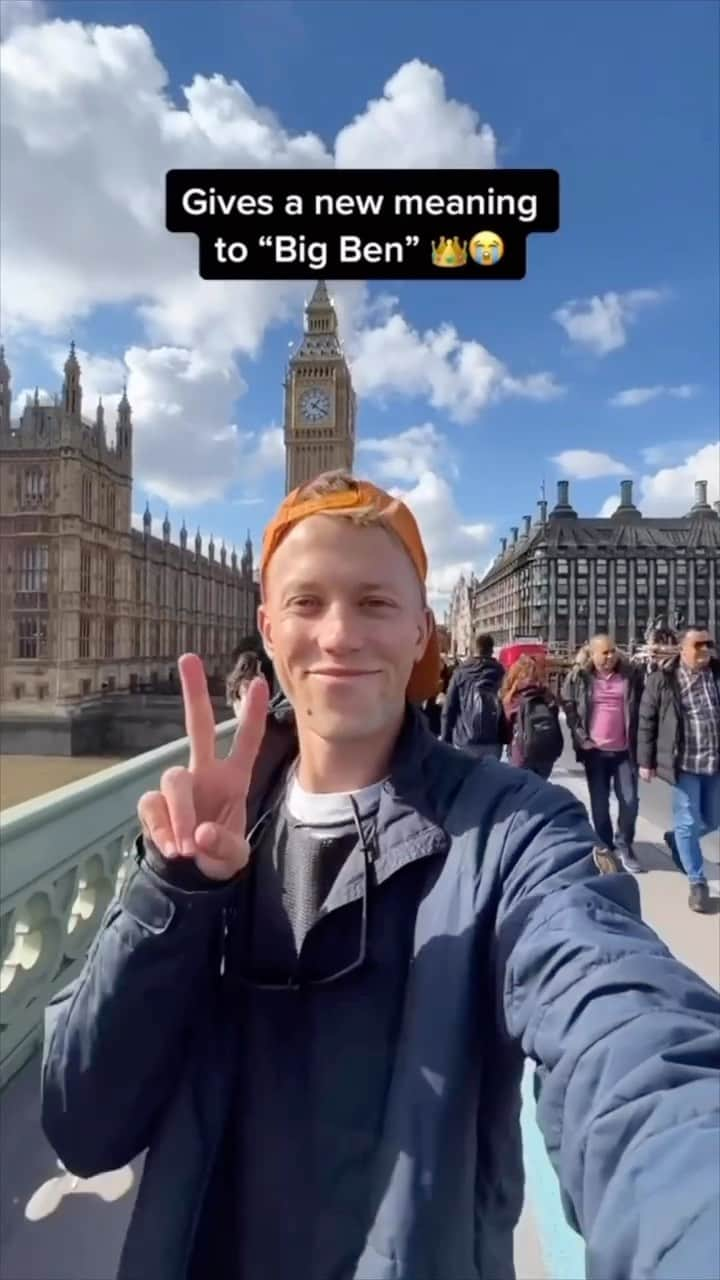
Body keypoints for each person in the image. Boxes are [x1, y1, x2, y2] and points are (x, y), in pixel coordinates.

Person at [42, 472, 720, 1280]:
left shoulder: (516, 831)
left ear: (421, 629)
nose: (339, 635)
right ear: (266, 625)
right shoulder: (194, 830)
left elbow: (625, 1028)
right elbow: (83, 1125)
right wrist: (175, 890)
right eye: (307, 602)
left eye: (374, 603)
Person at [637, 625, 719, 913]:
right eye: (698, 645)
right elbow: (646, 720)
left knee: (713, 819)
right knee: (687, 820)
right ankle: (697, 883)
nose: (705, 651)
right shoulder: (663, 679)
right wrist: (645, 761)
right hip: (684, 763)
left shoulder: (716, 674)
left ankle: (677, 840)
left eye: (708, 644)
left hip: (714, 761)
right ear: (682, 648)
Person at [561, 634, 645, 875]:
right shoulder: (580, 677)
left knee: (629, 801)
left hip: (624, 751)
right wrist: (581, 737)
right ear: (593, 654)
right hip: (595, 751)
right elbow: (569, 706)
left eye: (612, 651)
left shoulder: (631, 675)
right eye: (604, 653)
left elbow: (645, 706)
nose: (609, 657)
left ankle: (624, 844)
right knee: (599, 803)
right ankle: (605, 846)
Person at [440, 632, 504, 758]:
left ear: (474, 650)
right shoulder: (500, 672)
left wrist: (446, 741)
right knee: (490, 777)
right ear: (491, 650)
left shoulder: (462, 672)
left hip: (465, 740)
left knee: (465, 777)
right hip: (493, 741)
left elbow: (449, 709)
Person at [501, 653, 563, 779]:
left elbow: (505, 729)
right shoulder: (547, 696)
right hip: (546, 754)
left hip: (521, 755)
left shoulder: (513, 698)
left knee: (521, 793)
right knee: (539, 790)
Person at [226, 650, 267, 718]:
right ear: (247, 667)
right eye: (255, 668)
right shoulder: (244, 685)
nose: (256, 672)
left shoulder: (241, 682)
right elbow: (247, 709)